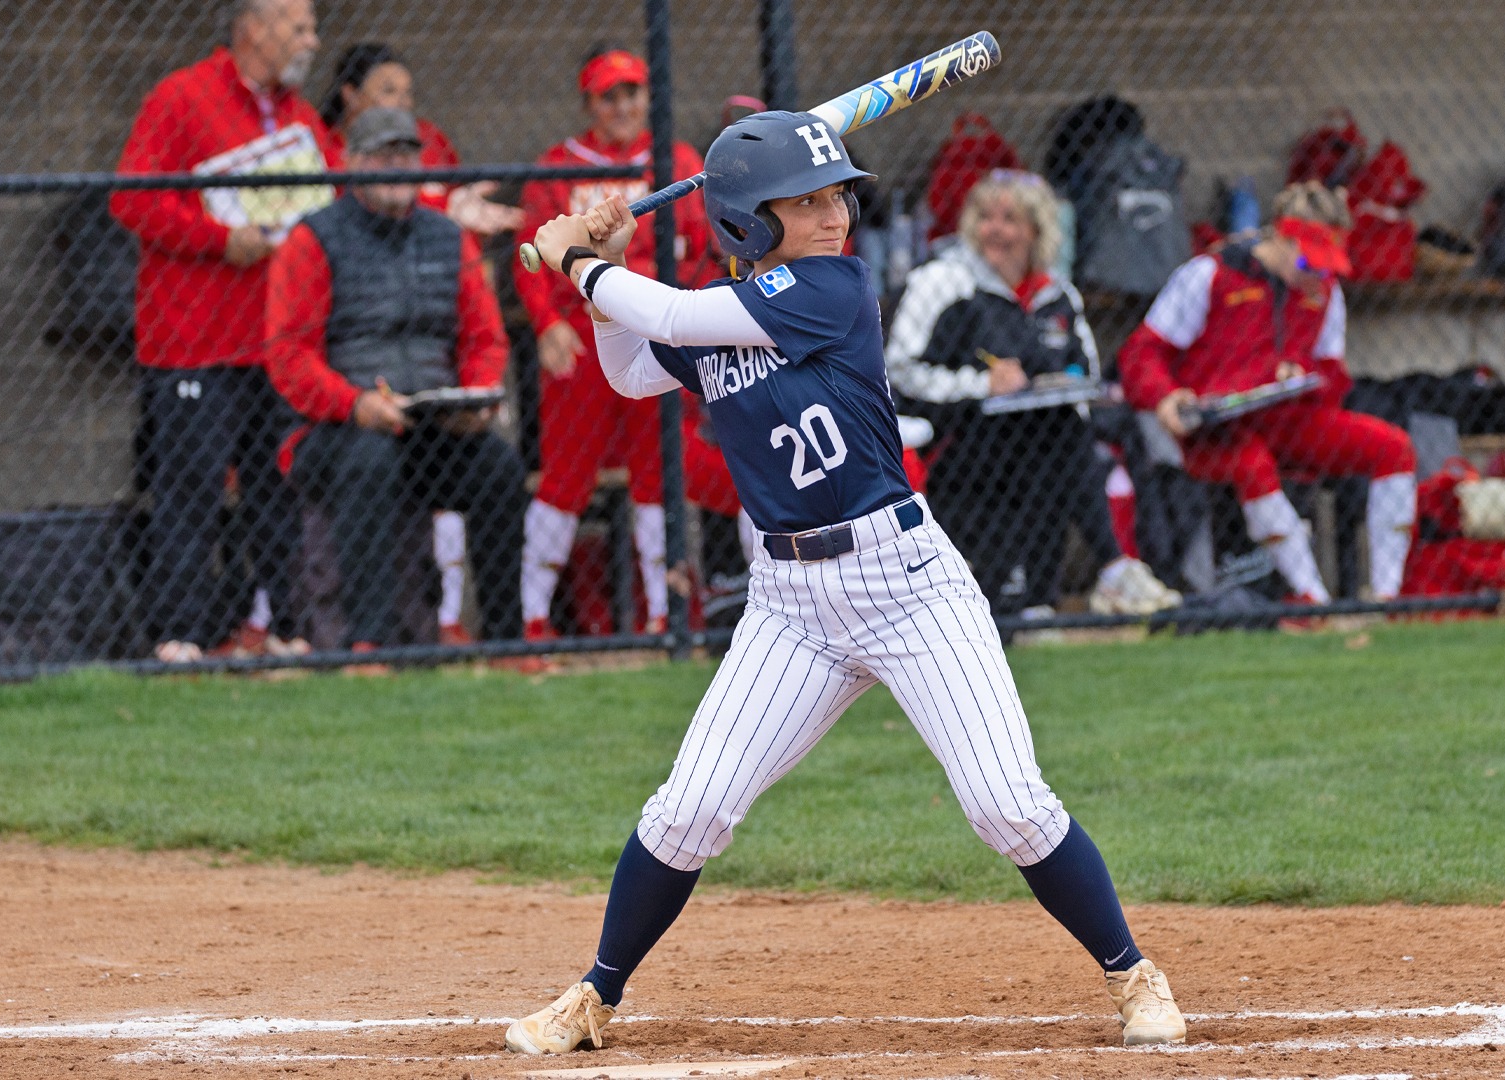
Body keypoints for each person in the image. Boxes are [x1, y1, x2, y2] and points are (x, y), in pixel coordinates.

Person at [505, 109, 1187, 1056]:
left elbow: (671, 315)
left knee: (1008, 804)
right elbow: (628, 369)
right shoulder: (724, 308)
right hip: (790, 605)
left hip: (906, 584)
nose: (836, 216)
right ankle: (593, 997)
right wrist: (604, 278)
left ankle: (1133, 974)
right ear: (746, 220)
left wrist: (581, 261)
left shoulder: (832, 286)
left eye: (838, 198)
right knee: (689, 809)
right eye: (809, 202)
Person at [111, 0, 334, 662]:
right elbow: (132, 199)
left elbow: (339, 200)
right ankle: (178, 637)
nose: (312, 41)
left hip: (276, 341)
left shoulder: (300, 117)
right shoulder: (182, 97)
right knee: (191, 490)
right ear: (254, 28)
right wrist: (218, 239)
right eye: (299, 27)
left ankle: (288, 631)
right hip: (193, 342)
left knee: (277, 490)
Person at [265, 108, 528, 652]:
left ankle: (508, 642)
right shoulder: (313, 239)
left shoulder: (449, 238)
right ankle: (369, 642)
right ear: (351, 162)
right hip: (333, 433)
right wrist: (354, 403)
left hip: (432, 429)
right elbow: (288, 354)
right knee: (370, 458)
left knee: (499, 468)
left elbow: (485, 339)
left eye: (406, 154)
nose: (397, 166)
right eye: (383, 155)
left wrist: (474, 398)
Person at [887, 169, 1166, 618]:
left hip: (1039, 444)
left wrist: (1058, 383)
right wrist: (980, 384)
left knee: (1058, 433)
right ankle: (1109, 568)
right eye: (985, 217)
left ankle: (1039, 600)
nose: (994, 230)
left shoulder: (1058, 294)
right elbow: (899, 369)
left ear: (1036, 230)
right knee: (1061, 440)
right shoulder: (943, 281)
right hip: (957, 438)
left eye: (1009, 219)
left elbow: (1086, 372)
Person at [1119, 182, 1417, 604]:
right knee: (1252, 464)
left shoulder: (1325, 291)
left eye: (1327, 266)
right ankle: (1312, 598)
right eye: (1310, 262)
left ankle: (1388, 595)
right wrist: (1166, 397)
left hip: (1288, 419)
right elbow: (1141, 353)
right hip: (1213, 430)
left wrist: (1304, 378)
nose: (1318, 276)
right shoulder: (1211, 274)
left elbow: (1333, 374)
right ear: (1282, 238)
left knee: (1394, 448)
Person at [512, 45, 715, 640]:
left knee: (656, 476)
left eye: (632, 93)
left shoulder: (676, 159)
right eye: (609, 96)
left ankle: (662, 616)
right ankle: (533, 620)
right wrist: (546, 324)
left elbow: (703, 251)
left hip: (658, 328)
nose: (622, 106)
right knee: (566, 478)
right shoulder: (559, 164)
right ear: (589, 104)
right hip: (581, 337)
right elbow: (532, 258)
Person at [319, 42, 524, 238]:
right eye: (389, 91)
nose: (404, 102)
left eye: (408, 93)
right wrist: (445, 208)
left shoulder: (428, 135)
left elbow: (460, 203)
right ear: (351, 94)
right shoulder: (326, 145)